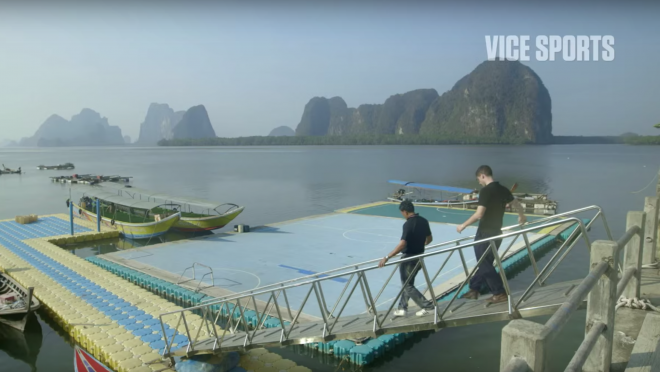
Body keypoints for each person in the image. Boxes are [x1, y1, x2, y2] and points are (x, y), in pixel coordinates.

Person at [456, 165, 527, 304]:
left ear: (483, 176)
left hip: (485, 233)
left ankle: (499, 292)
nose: (479, 182)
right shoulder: (503, 189)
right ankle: (474, 289)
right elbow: (516, 203)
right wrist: (521, 216)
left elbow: (479, 213)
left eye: (479, 179)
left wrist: (463, 225)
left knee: (484, 263)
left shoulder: (486, 191)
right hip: (496, 232)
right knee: (486, 263)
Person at [379, 200, 436, 316]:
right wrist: (420, 244)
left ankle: (427, 306)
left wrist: (387, 257)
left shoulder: (408, 224)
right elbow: (429, 239)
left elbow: (402, 244)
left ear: (404, 211)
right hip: (420, 256)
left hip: (409, 258)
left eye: (402, 213)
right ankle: (402, 308)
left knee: (407, 285)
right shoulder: (423, 221)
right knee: (408, 283)